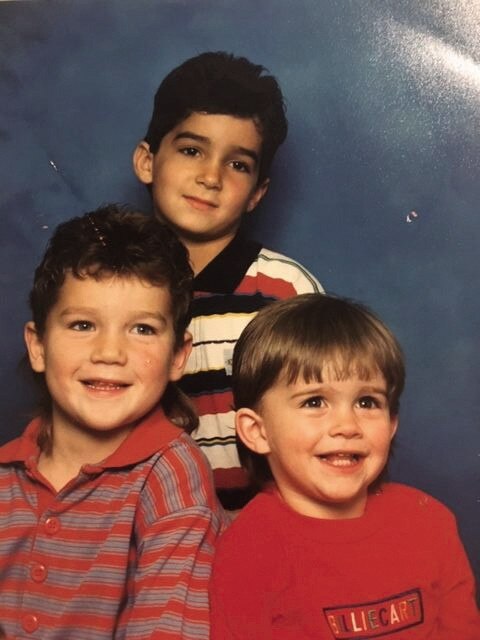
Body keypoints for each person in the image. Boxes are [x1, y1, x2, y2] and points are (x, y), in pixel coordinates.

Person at [0, 204, 227, 640]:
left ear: (179, 355)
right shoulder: (7, 474)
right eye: (83, 324)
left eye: (142, 329)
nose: (109, 353)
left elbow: (167, 628)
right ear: (38, 346)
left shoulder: (172, 476)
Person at [210, 293, 480, 639]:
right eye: (315, 401)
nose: (347, 425)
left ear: (392, 422)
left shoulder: (431, 523)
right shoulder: (247, 552)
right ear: (257, 431)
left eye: (367, 402)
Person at [133, 51, 324, 508]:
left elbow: (318, 425)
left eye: (237, 164)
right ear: (147, 161)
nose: (210, 177)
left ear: (258, 192)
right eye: (192, 150)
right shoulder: (109, 284)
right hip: (142, 538)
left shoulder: (284, 293)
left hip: (259, 537)